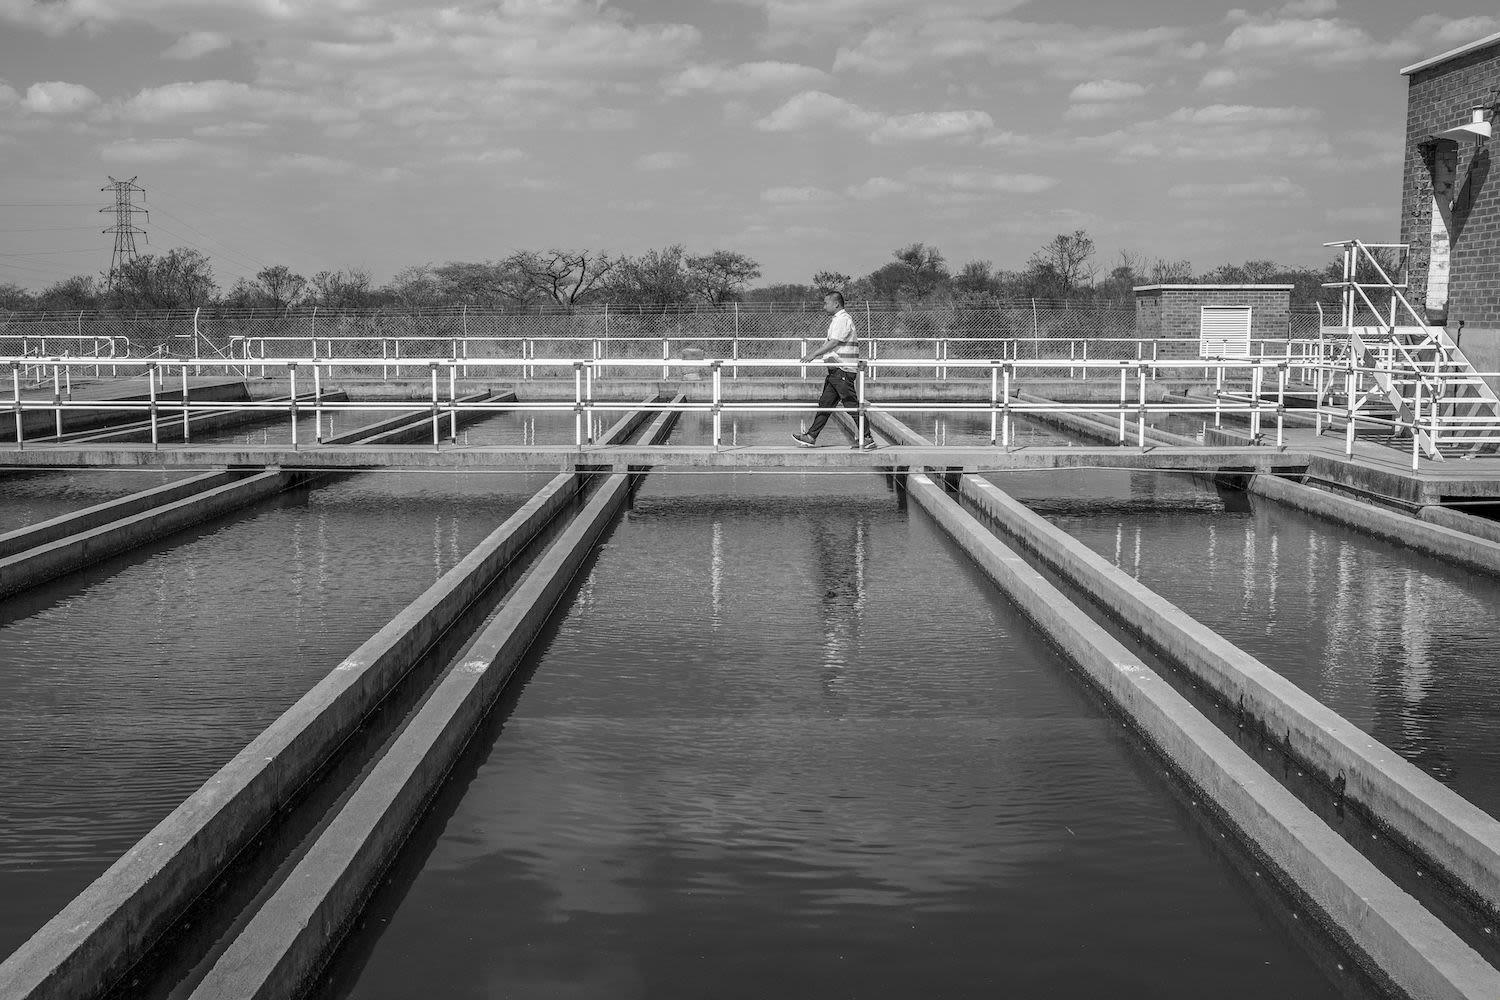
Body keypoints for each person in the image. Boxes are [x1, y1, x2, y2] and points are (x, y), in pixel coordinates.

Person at [792, 290, 877, 449]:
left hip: (843, 369)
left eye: (826, 303)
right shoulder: (837, 320)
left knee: (851, 404)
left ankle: (867, 437)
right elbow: (831, 343)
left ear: (836, 303)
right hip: (835, 370)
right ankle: (811, 436)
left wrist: (813, 354)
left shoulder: (842, 320)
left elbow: (833, 343)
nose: (824, 306)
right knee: (825, 404)